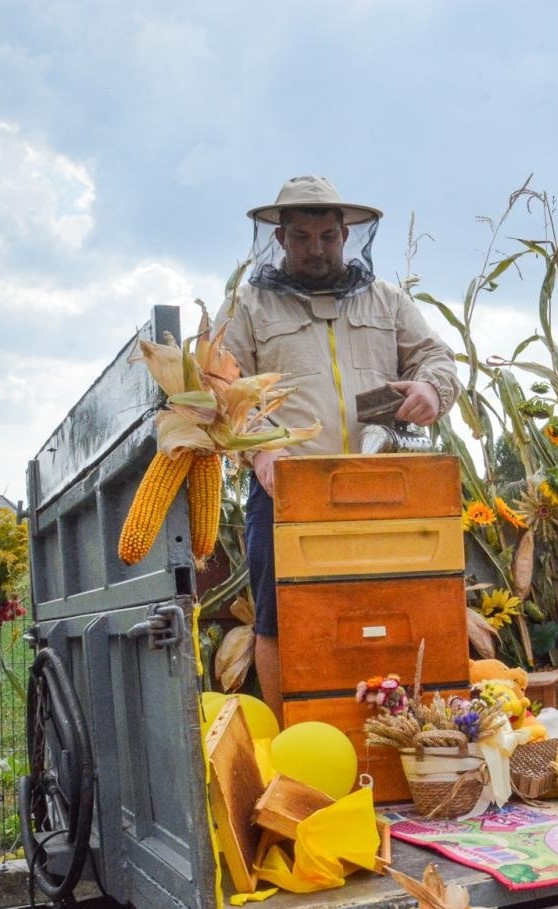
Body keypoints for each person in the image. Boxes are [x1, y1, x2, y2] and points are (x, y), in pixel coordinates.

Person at [216, 176, 461, 716]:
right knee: (279, 619)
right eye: (302, 237)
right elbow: (221, 388)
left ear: (347, 235)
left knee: (386, 614)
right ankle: (291, 741)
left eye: (328, 237)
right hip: (286, 493)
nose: (316, 250)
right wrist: (259, 450)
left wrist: (429, 388)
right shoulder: (248, 306)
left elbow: (437, 359)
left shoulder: (386, 299)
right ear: (279, 238)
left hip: (384, 488)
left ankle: (400, 737)